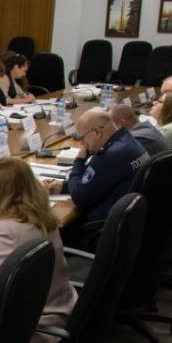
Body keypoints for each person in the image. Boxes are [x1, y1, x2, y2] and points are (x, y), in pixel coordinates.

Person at [0, 158, 78, 343]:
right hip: (58, 315)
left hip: (31, 340)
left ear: (2, 196)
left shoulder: (5, 232)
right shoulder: (40, 217)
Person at [43, 107, 149, 251]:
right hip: (128, 229)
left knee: (53, 234)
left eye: (83, 138)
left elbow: (80, 197)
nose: (82, 144)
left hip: (101, 234)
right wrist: (63, 186)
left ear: (97, 133)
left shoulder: (108, 156)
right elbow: (99, 181)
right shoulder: (128, 142)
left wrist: (79, 160)